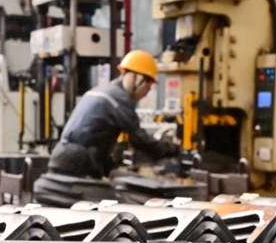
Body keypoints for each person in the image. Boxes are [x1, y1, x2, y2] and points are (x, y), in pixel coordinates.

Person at [46, 49, 181, 180]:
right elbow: (141, 141)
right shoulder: (120, 99)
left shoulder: (103, 91)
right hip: (78, 164)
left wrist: (110, 167)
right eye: (148, 87)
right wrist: (173, 150)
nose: (146, 93)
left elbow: (95, 139)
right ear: (137, 78)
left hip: (62, 158)